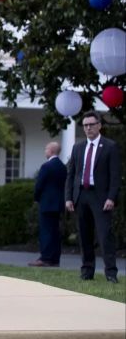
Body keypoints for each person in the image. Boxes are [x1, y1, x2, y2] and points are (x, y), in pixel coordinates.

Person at [65, 111, 120, 283]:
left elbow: (115, 176)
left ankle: (111, 273)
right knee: (84, 235)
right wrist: (68, 198)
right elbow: (71, 175)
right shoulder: (78, 147)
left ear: (99, 125)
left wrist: (111, 197)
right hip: (81, 196)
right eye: (85, 125)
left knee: (105, 236)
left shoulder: (110, 146)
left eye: (91, 124)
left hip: (101, 197)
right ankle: (87, 271)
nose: (88, 128)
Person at [29, 142, 66, 267]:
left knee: (46, 231)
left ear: (51, 150)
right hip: (58, 204)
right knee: (55, 231)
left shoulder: (46, 166)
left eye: (46, 149)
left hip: (46, 203)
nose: (45, 151)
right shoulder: (62, 166)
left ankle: (45, 258)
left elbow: (39, 185)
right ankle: (55, 258)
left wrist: (36, 198)